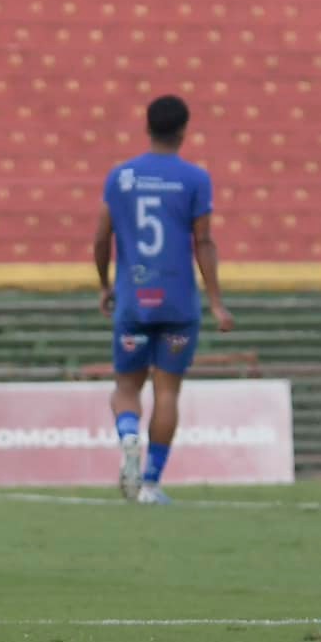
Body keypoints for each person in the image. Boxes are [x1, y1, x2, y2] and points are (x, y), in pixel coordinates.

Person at [95, 94, 235, 506]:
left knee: (126, 388)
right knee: (167, 391)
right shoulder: (195, 180)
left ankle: (128, 436)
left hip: (135, 304)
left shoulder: (121, 177)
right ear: (183, 130)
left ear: (147, 126)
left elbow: (102, 237)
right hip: (178, 307)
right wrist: (216, 302)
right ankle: (151, 483)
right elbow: (203, 242)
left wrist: (105, 284)